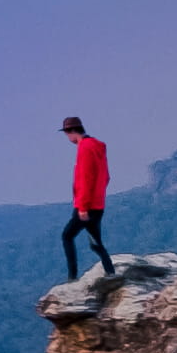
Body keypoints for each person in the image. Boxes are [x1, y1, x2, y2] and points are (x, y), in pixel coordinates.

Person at [60, 112, 116, 278]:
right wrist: (99, 196)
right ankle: (111, 272)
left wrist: (83, 207)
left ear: (71, 132)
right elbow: (105, 177)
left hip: (86, 206)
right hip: (98, 204)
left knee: (67, 236)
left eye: (66, 134)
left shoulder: (84, 148)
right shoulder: (97, 147)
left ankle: (72, 277)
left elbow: (85, 179)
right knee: (95, 243)